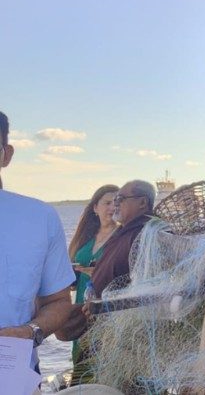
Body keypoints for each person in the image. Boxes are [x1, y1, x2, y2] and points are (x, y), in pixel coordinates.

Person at [0, 110, 76, 363]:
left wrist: (31, 331)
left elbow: (59, 301)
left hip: (12, 371)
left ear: (6, 154)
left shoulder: (39, 217)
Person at [62, 184, 119, 384]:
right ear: (95, 208)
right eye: (107, 203)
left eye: (116, 203)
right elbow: (72, 280)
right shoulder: (85, 237)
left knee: (105, 360)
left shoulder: (121, 237)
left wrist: (99, 273)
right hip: (82, 309)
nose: (112, 207)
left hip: (107, 310)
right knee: (81, 359)